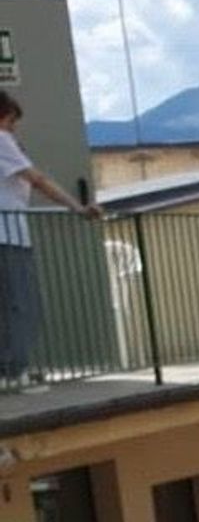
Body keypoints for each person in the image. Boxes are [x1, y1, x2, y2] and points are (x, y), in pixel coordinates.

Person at [0, 92, 103, 382]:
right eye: (10, 122)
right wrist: (78, 208)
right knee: (21, 304)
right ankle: (11, 372)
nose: (13, 129)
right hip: (8, 237)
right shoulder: (1, 141)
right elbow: (39, 181)